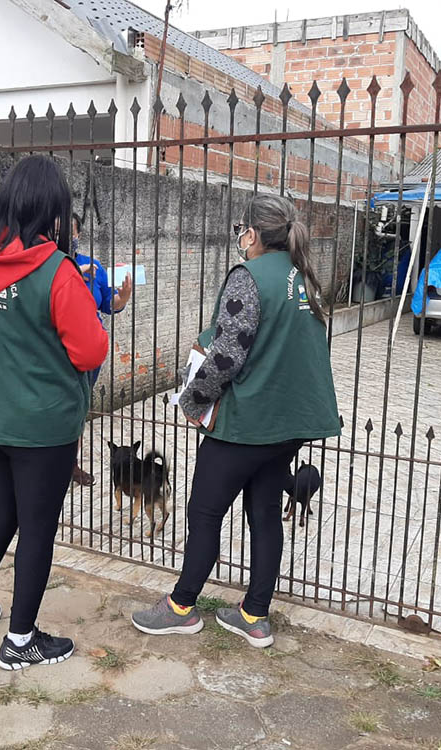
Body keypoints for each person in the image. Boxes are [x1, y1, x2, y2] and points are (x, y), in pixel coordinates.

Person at [131, 193, 341, 648]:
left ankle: (181, 607)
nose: (239, 238)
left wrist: (192, 401)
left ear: (253, 233)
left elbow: (227, 355)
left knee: (204, 512)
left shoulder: (249, 277)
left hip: (247, 424)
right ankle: (254, 615)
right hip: (287, 425)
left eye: (240, 230)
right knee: (264, 513)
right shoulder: (304, 278)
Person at [0, 155, 108, 670]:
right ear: (54, 211)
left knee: (2, 513)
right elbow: (90, 352)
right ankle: (21, 640)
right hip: (43, 427)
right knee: (36, 529)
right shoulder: (56, 271)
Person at [70, 211, 133, 486]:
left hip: (89, 353)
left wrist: (124, 297)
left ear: (79, 234)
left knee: (78, 408)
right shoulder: (46, 266)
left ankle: (70, 463)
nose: (66, 236)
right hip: (57, 352)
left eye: (71, 230)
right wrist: (74, 275)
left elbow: (109, 304)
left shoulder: (93, 266)